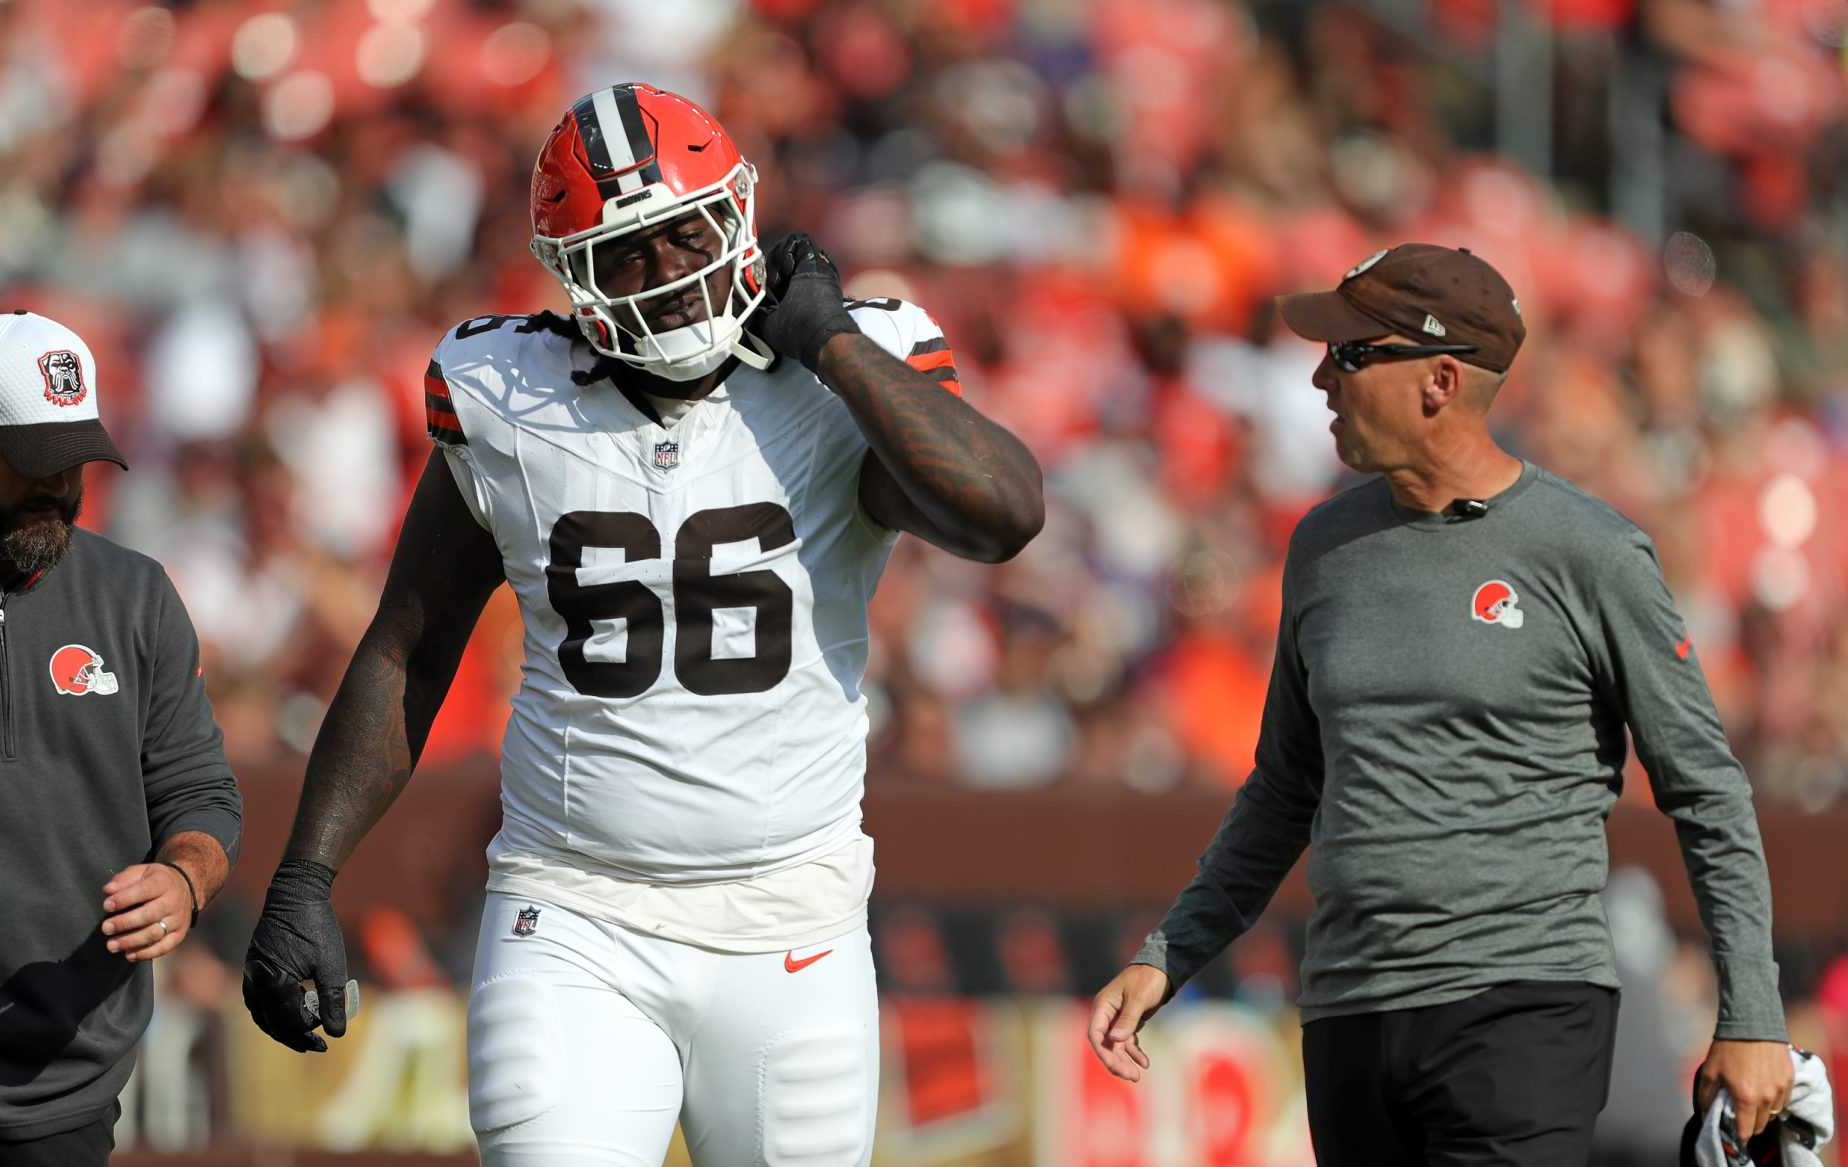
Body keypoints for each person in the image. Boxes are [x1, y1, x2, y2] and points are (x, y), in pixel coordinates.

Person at [240, 82, 1043, 1166]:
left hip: (791, 922)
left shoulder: (840, 374)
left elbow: (1003, 515)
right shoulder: (505, 396)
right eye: (623, 256)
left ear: (733, 215)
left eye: (678, 235)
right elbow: (411, 644)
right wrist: (305, 874)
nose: (665, 278)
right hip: (574, 917)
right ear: (571, 277)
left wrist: (834, 345)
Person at [1086, 244, 1793, 1165]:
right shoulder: (1323, 546)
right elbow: (1283, 788)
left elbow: (1705, 787)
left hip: (1522, 1009)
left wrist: (1752, 1013)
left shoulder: (1592, 552)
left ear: (1440, 380)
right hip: (1349, 1011)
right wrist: (1166, 952)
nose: (1318, 376)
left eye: (1348, 354)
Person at [0, 310, 242, 1164]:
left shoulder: (137, 599)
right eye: (33, 461)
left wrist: (184, 876)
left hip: (75, 1074)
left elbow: (201, 792)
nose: (59, 486)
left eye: (75, 459)